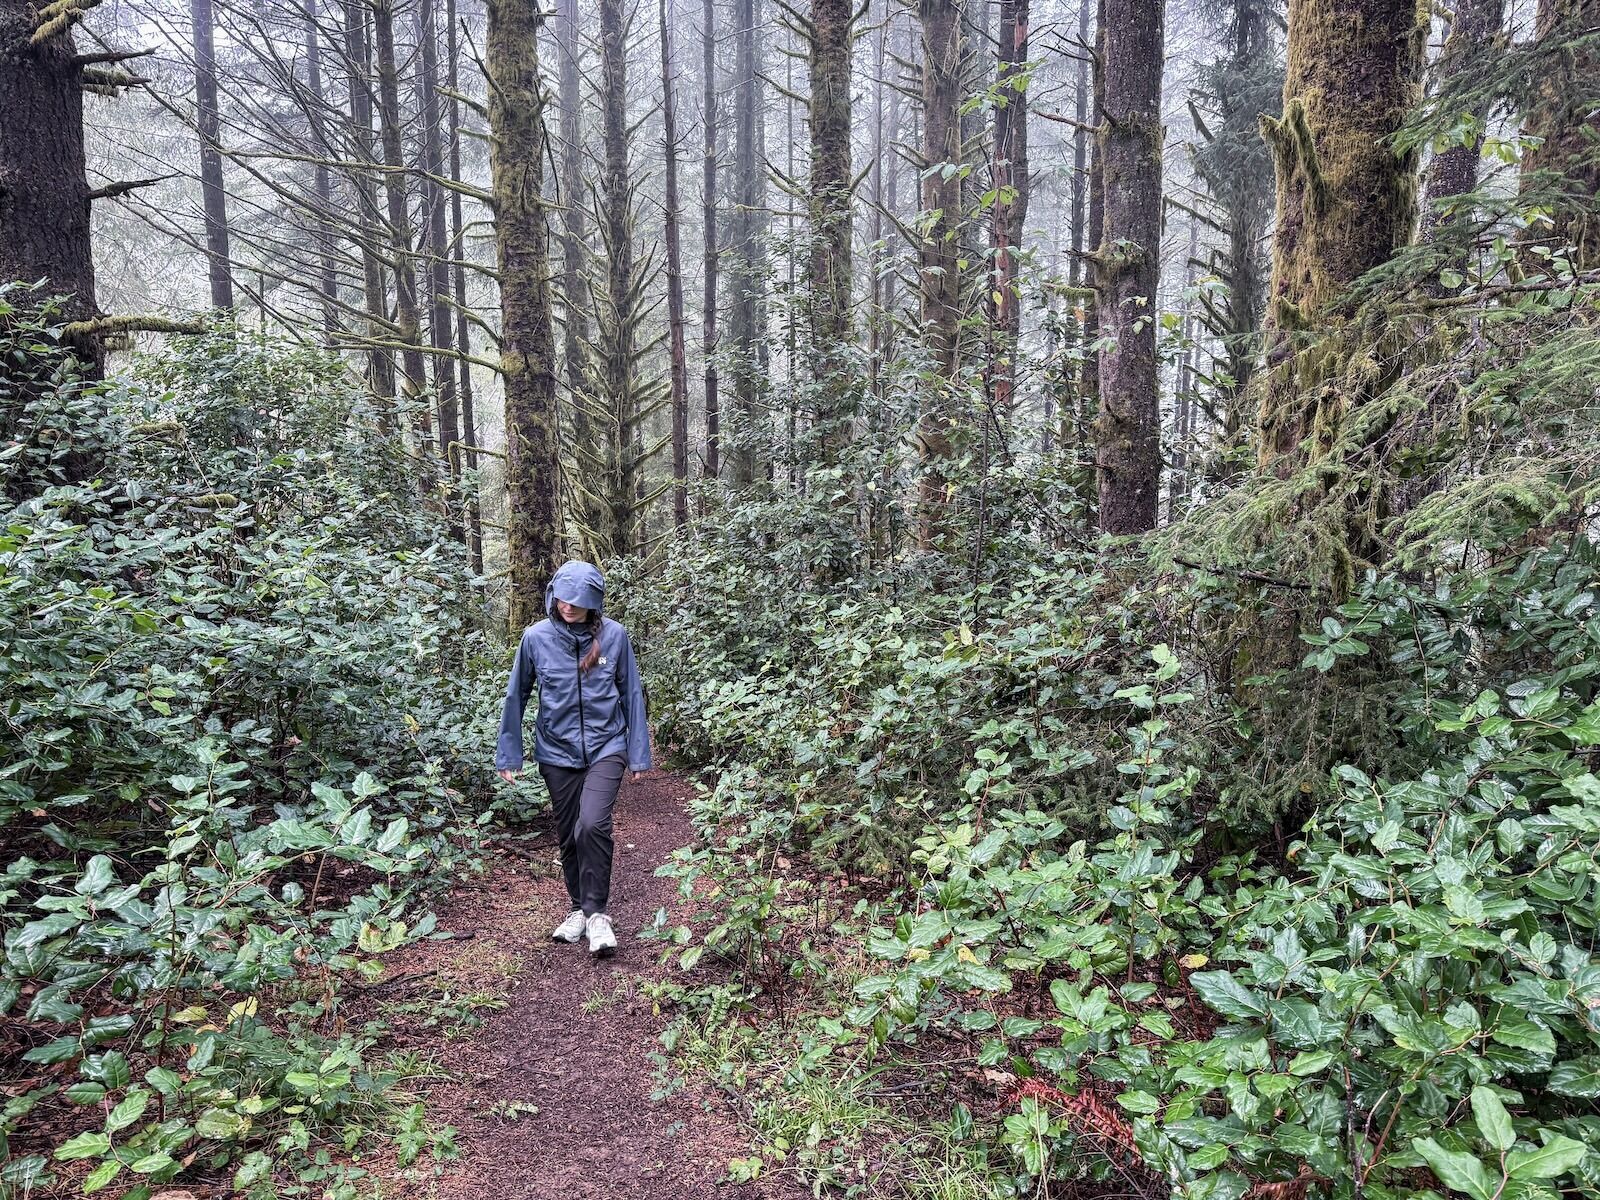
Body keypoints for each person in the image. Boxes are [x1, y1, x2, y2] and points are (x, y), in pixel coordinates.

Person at [495, 561, 651, 958]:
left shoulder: (615, 636)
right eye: (563, 598)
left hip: (606, 746)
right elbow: (517, 695)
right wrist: (509, 753)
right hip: (556, 751)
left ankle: (598, 914)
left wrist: (637, 753)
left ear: (594, 602)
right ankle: (579, 908)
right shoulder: (536, 638)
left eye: (578, 601)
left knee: (592, 823)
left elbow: (632, 693)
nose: (568, 606)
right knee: (568, 834)